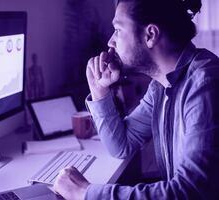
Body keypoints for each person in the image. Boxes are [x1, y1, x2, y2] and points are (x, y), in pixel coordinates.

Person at [53, 0, 219, 199]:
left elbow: (190, 191)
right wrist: (99, 91)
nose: (110, 42)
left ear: (150, 35)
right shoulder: (161, 86)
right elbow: (121, 145)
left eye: (118, 29)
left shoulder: (205, 83)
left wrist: (84, 193)